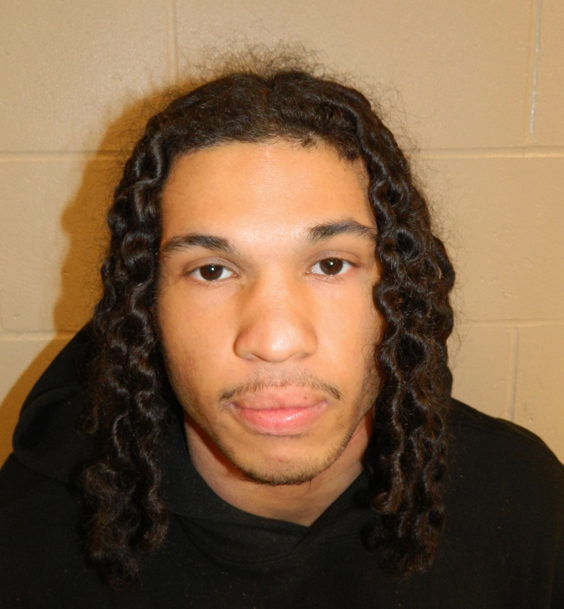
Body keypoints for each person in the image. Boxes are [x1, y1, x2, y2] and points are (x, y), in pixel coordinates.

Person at [0, 62, 563, 609]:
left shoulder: (526, 503)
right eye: (212, 271)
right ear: (147, 306)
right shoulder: (29, 537)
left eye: (331, 265)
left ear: (401, 290)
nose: (275, 341)